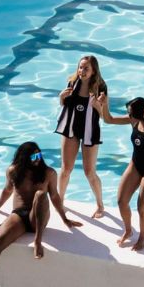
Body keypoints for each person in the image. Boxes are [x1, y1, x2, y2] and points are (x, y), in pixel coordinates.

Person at [0, 141, 78, 287]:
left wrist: (64, 218)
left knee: (40, 194)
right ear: (23, 158)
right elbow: (7, 190)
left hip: (38, 216)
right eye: (33, 156)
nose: (37, 158)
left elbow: (55, 197)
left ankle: (37, 241)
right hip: (20, 215)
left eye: (39, 155)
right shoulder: (13, 171)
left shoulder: (48, 173)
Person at [105, 97, 144, 251]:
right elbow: (109, 119)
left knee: (141, 207)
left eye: (131, 113)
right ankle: (128, 230)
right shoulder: (133, 121)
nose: (129, 116)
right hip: (135, 165)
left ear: (140, 113)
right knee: (121, 201)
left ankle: (143, 238)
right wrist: (102, 104)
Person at [54, 54, 109, 218]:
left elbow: (105, 116)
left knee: (89, 172)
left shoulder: (101, 87)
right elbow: (66, 106)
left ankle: (100, 205)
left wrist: (99, 105)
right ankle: (60, 202)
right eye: (80, 67)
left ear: (93, 71)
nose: (82, 71)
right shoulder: (72, 83)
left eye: (86, 68)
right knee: (65, 169)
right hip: (70, 129)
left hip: (89, 131)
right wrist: (61, 98)